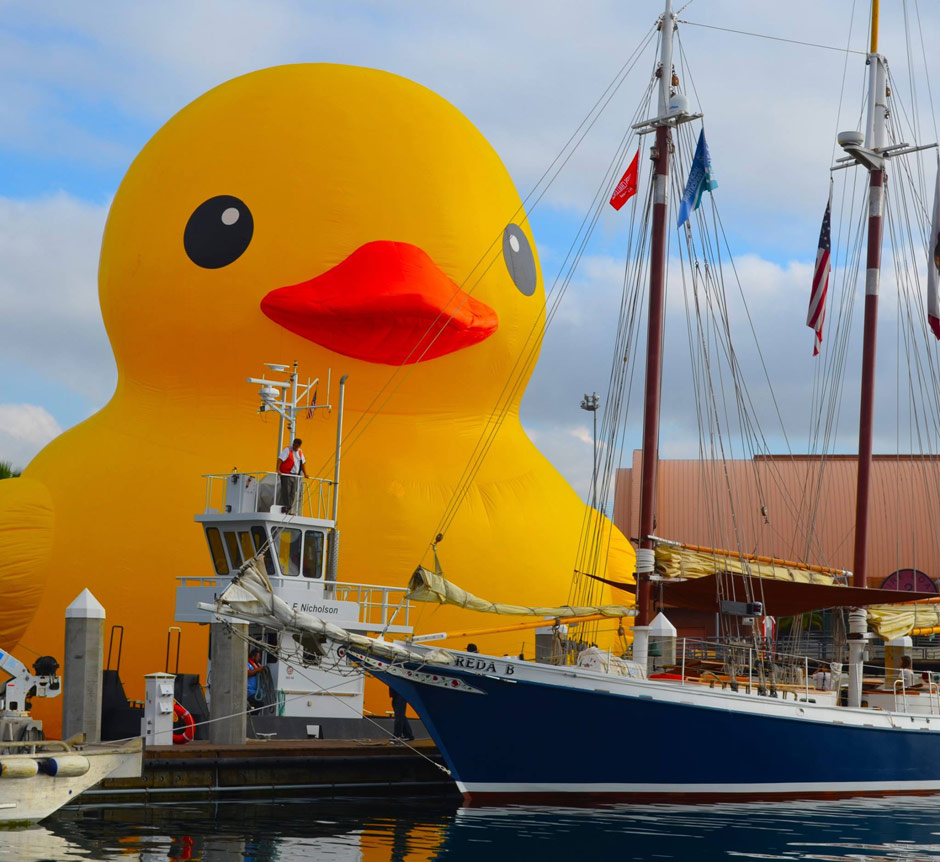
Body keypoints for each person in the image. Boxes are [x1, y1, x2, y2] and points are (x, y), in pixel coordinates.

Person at [276, 438, 308, 513]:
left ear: (299, 446)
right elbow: (280, 459)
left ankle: (289, 507)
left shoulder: (300, 452)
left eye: (296, 446)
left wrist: (305, 473)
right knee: (286, 491)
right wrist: (278, 470)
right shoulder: (287, 450)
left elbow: (302, 463)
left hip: (295, 475)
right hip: (287, 474)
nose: (294, 447)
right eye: (294, 445)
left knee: (293, 492)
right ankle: (287, 507)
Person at [247, 647, 264, 711]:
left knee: (260, 704)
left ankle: (253, 717)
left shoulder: (258, 665)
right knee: (258, 703)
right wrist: (258, 670)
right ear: (253, 656)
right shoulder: (247, 664)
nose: (259, 658)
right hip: (250, 691)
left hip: (259, 691)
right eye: (258, 656)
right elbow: (247, 673)